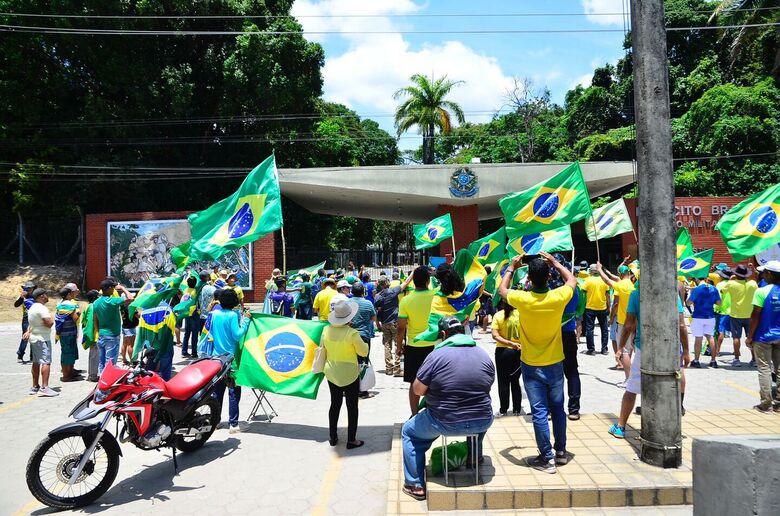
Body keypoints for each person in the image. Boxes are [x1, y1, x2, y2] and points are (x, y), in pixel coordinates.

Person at [401, 316, 495, 500]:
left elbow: (418, 389)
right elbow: (488, 383)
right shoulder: (483, 353)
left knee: (409, 433)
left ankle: (415, 485)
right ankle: (474, 457)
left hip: (444, 421)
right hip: (482, 420)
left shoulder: (436, 355)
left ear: (443, 335)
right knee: (477, 413)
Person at [499, 252, 576, 474]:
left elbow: (502, 291)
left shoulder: (523, 299)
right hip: (555, 362)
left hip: (531, 364)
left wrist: (512, 267)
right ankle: (560, 452)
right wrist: (556, 262)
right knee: (558, 409)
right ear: (549, 275)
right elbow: (572, 280)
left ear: (529, 279)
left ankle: (546, 457)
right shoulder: (558, 297)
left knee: (539, 412)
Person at [609, 276, 691, 438]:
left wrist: (620, 347)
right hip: (669, 348)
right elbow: (681, 325)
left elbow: (629, 324)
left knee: (632, 389)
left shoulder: (636, 294)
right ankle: (671, 425)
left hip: (644, 348)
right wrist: (686, 351)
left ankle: (621, 426)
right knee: (670, 385)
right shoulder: (672, 295)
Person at [322, 297, 369, 448]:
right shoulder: (352, 333)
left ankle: (333, 437)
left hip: (332, 372)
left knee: (335, 404)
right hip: (349, 373)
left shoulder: (325, 330)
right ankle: (351, 440)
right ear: (349, 318)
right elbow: (363, 352)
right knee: (352, 406)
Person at [209, 289, 251, 433]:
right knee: (233, 392)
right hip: (230, 360)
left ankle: (215, 421)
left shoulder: (213, 314)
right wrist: (245, 321)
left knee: (217, 392)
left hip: (215, 359)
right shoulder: (232, 315)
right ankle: (233, 424)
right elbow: (237, 335)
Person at [397, 266, 435, 416]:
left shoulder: (406, 300)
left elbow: (401, 328)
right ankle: (432, 413)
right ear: (428, 281)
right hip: (434, 344)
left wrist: (399, 347)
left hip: (413, 345)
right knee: (434, 381)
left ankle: (414, 414)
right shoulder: (435, 296)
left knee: (414, 382)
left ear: (412, 282)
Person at [746, 260, 780, 413]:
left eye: (764, 272)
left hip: (763, 336)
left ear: (770, 274)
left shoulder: (761, 291)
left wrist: (749, 336)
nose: (762, 274)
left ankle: (766, 404)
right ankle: (779, 404)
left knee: (764, 369)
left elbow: (755, 316)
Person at [597, 262, 636, 379]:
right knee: (630, 350)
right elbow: (611, 278)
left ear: (620, 274)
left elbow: (608, 281)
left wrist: (599, 270)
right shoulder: (633, 285)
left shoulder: (622, 285)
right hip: (634, 322)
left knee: (624, 351)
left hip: (623, 323)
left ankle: (628, 378)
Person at [93, 278, 134, 374]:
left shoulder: (96, 302)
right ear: (108, 288)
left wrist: (98, 332)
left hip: (102, 335)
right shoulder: (112, 301)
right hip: (112, 336)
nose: (114, 290)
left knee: (102, 362)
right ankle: (107, 386)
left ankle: (101, 384)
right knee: (110, 363)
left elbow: (95, 319)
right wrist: (123, 288)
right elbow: (131, 298)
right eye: (113, 288)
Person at [374, 275, 412, 377]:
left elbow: (377, 311)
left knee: (387, 345)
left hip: (385, 323)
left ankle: (389, 368)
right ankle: (397, 368)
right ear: (386, 282)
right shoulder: (392, 291)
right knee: (398, 344)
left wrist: (378, 324)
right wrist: (413, 273)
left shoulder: (378, 296)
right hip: (395, 322)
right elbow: (406, 283)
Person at [722, 264, 759, 367]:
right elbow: (753, 282)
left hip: (736, 314)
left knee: (736, 338)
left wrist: (731, 279)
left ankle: (737, 359)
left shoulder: (731, 284)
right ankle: (754, 359)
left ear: (735, 274)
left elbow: (722, 291)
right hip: (750, 315)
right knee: (751, 337)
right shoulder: (753, 284)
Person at [24, 289, 58, 397]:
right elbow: (49, 323)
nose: (47, 296)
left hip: (34, 338)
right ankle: (44, 387)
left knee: (36, 362)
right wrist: (52, 319)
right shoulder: (42, 308)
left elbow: (32, 324)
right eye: (46, 294)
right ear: (42, 296)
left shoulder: (32, 307)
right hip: (42, 338)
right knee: (46, 362)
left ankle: (35, 386)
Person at [491, 299, 522, 416]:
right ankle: (517, 409)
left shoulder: (498, 315)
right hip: (519, 350)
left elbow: (495, 335)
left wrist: (509, 343)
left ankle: (503, 409)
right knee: (515, 380)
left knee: (503, 381)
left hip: (503, 351)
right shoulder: (522, 314)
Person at [350, 282, 377, 398]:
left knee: (351, 361)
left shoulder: (347, 303)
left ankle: (351, 388)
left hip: (349, 336)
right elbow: (373, 317)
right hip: (364, 335)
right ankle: (363, 389)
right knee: (364, 361)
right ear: (363, 292)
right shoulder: (368, 303)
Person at [686, 276, 721, 368]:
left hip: (698, 316)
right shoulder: (714, 288)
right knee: (711, 337)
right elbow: (719, 302)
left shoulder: (697, 289)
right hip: (710, 316)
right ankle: (713, 361)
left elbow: (688, 303)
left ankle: (697, 360)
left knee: (698, 338)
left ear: (697, 279)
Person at [55, 284, 82, 382]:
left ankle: (69, 373)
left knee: (66, 353)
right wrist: (79, 313)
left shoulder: (60, 303)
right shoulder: (70, 305)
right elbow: (75, 318)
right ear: (69, 294)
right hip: (69, 333)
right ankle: (67, 375)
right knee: (68, 353)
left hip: (63, 333)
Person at [582, 264, 610, 355]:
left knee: (589, 329)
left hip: (590, 307)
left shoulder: (587, 281)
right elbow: (607, 295)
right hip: (602, 307)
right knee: (604, 329)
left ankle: (591, 349)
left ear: (590, 271)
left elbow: (583, 294)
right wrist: (609, 307)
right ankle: (604, 349)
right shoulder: (604, 280)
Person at [713, 267, 734, 366]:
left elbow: (718, 298)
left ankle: (717, 350)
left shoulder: (720, 285)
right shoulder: (734, 284)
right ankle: (736, 351)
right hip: (733, 310)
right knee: (735, 332)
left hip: (721, 310)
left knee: (720, 331)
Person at [15, 281, 37, 362]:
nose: (28, 290)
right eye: (26, 288)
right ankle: (20, 355)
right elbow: (16, 305)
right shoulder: (24, 297)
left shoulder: (36, 296)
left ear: (33, 289)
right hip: (26, 318)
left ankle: (32, 356)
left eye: (29, 288)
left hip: (34, 318)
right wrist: (21, 298)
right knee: (25, 336)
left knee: (34, 336)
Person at [81, 290, 100, 381]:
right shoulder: (93, 307)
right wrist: (93, 335)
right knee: (95, 356)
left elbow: (84, 320)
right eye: (98, 296)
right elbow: (92, 322)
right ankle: (93, 375)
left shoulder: (88, 306)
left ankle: (92, 374)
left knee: (93, 355)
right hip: (95, 335)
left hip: (92, 334)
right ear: (94, 298)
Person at [181, 275, 201, 358]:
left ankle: (184, 351)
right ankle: (194, 352)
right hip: (194, 313)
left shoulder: (185, 290)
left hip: (187, 313)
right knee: (195, 333)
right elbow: (197, 302)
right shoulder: (195, 291)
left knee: (187, 333)